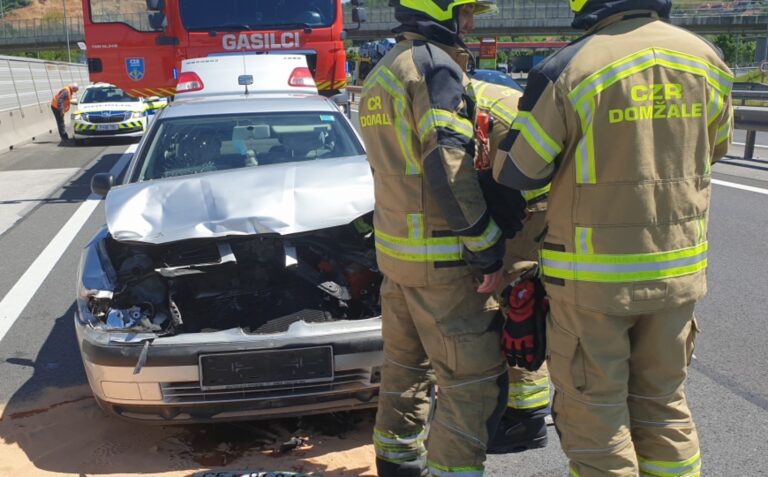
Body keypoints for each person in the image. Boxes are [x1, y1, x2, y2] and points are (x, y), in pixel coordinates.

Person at [493, 0, 733, 475]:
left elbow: (518, 170)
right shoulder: (706, 57)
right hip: (677, 274)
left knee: (594, 415)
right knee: (663, 404)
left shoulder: (570, 67)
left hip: (593, 284)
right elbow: (716, 145)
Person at [358, 0, 524, 475]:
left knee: (405, 373)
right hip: (444, 265)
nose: (471, 23)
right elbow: (448, 167)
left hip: (399, 260)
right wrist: (487, 249)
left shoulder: (383, 71)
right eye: (466, 11)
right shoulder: (435, 69)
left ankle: (398, 463)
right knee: (471, 385)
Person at [472, 79, 552, 455]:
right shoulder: (487, 93)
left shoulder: (458, 103)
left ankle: (526, 417)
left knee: (518, 302)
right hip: (544, 196)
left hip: (532, 204)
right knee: (532, 297)